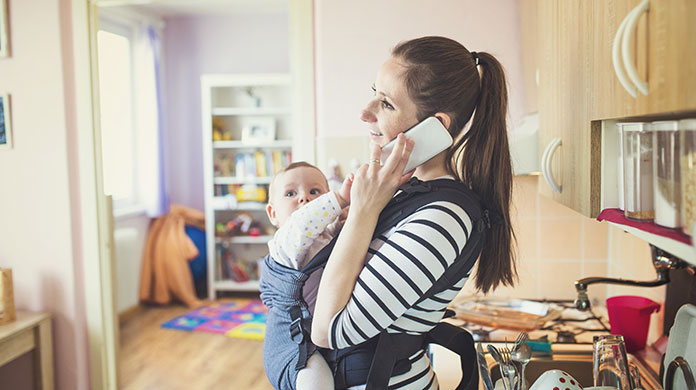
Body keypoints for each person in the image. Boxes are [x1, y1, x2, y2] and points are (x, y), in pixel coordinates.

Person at [311, 36, 517, 389]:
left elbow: (330, 331)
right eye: (375, 92)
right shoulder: (405, 192)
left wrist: (363, 210)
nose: (365, 112)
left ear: (435, 126)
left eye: (386, 104)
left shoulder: (444, 217)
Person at [261, 161, 353, 389]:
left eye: (315, 191)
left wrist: (345, 221)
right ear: (273, 213)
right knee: (316, 380)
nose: (304, 198)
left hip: (318, 330)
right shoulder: (285, 242)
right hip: (291, 339)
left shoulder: (323, 236)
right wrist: (339, 198)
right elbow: (302, 225)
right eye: (290, 193)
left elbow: (331, 241)